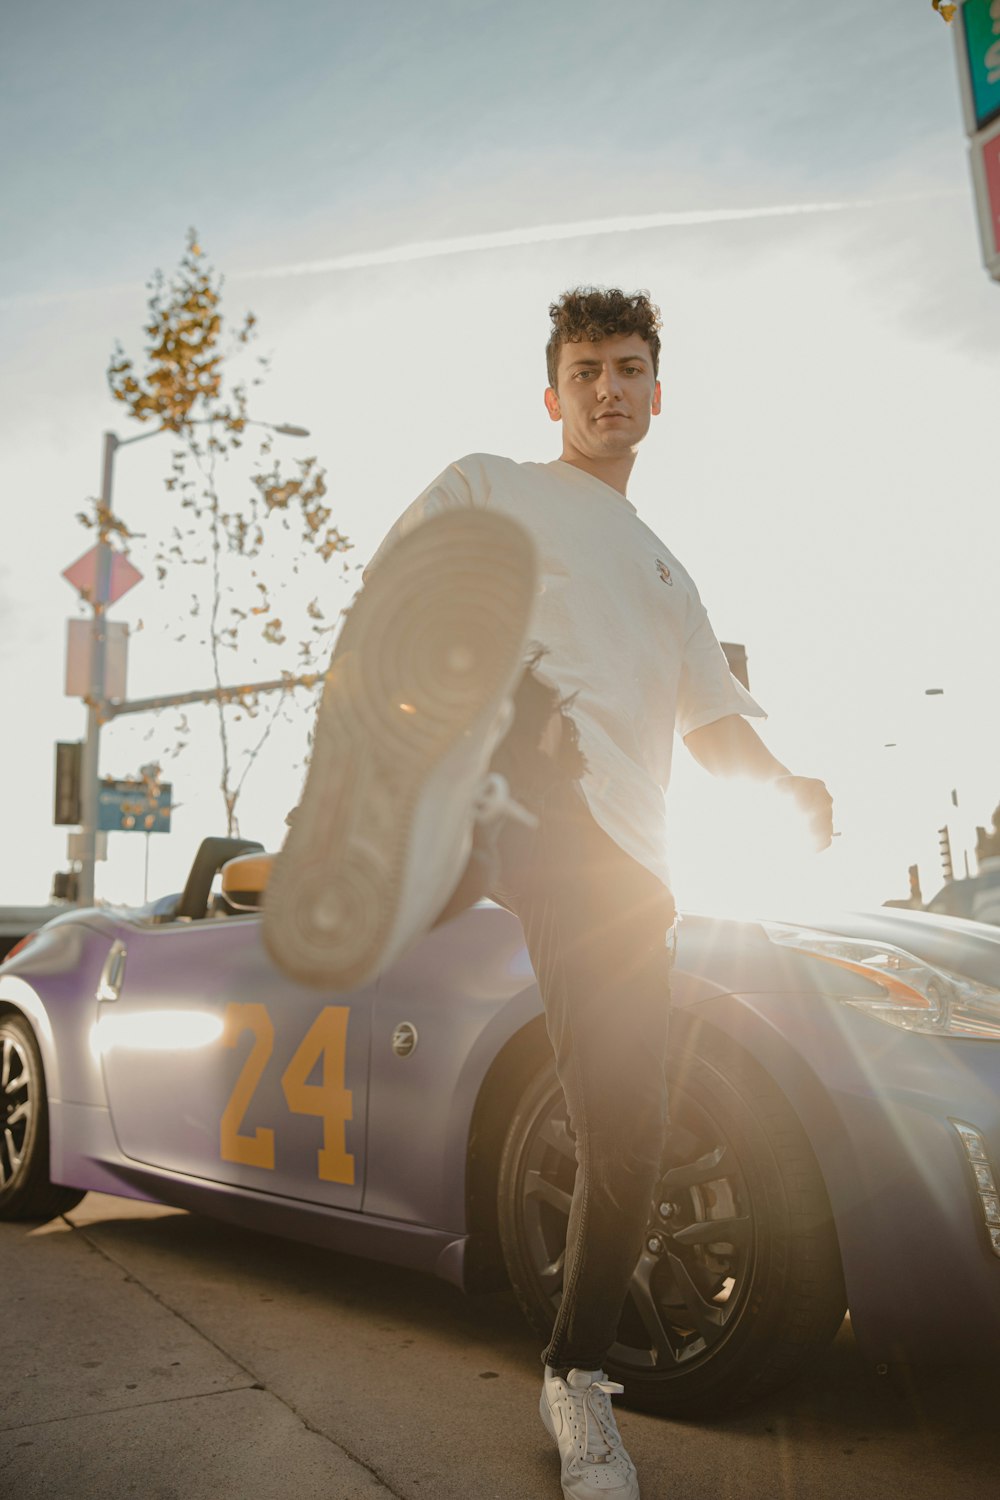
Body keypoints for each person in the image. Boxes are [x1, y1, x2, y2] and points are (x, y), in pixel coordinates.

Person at [263, 287, 833, 1500]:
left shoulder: (670, 576)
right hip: (523, 789)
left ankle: (575, 1380)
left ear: (656, 394)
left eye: (628, 370)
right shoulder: (494, 483)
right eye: (585, 372)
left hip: (629, 867)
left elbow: (716, 724)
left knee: (626, 1131)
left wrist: (787, 783)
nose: (607, 391)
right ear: (553, 394)